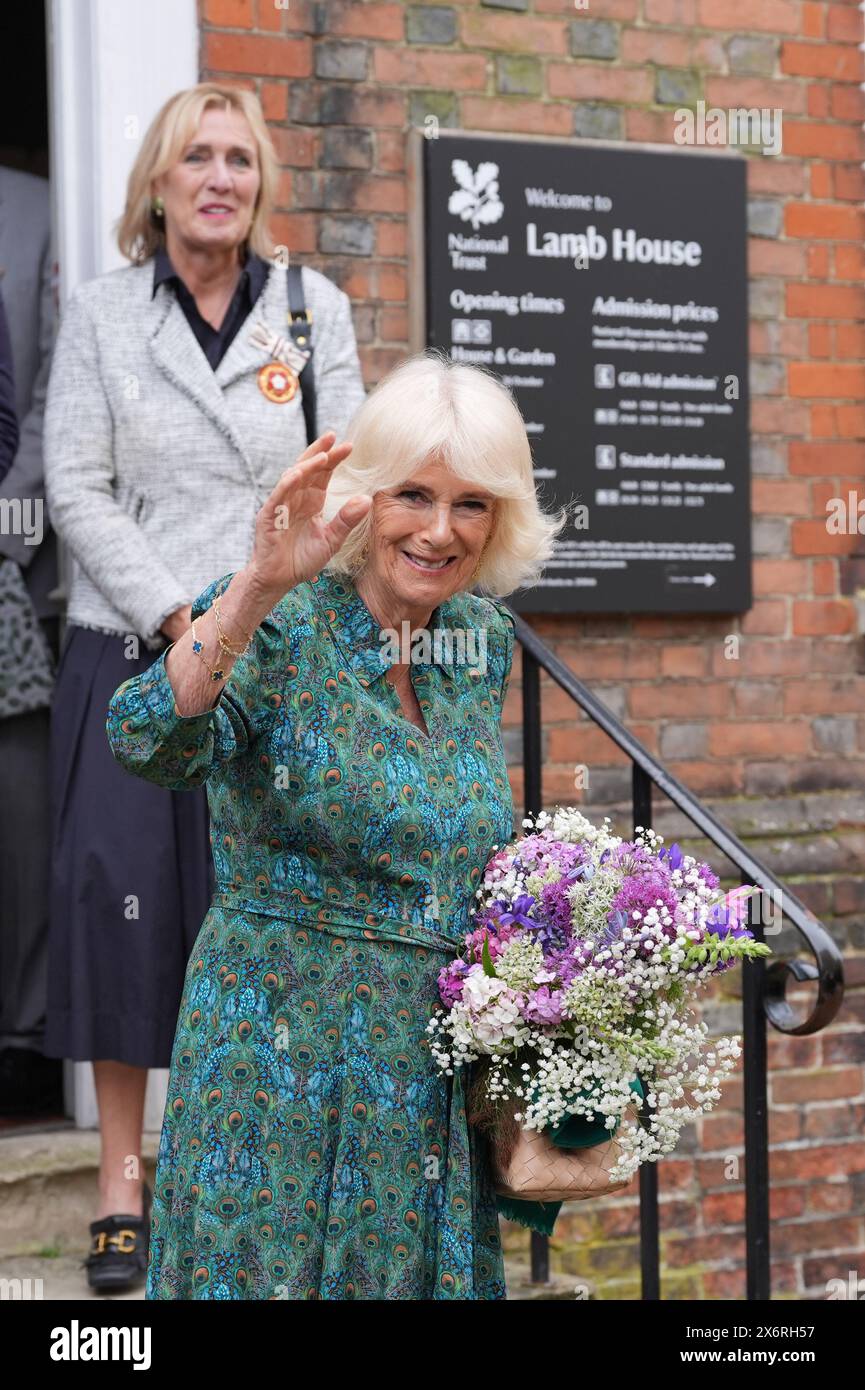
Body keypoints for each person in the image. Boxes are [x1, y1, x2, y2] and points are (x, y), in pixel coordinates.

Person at [106, 351, 567, 1299]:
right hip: (272, 1058)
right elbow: (148, 739)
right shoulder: (281, 619)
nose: (440, 530)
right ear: (363, 496)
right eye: (413, 495)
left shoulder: (476, 645)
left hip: (420, 1080)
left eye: (472, 503)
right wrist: (253, 586)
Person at [42, 82, 365, 1293]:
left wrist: (259, 616)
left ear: (259, 182)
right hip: (137, 646)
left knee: (260, 912)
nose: (218, 177)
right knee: (126, 912)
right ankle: (123, 1180)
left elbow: (355, 476)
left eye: (239, 158)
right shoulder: (106, 315)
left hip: (276, 658)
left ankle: (240, 1162)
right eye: (197, 158)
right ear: (160, 182)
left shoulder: (309, 310)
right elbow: (72, 487)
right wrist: (186, 617)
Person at [0, 164, 62, 1120]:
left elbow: (50, 388)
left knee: (19, 825)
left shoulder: (34, 208)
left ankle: (18, 1046)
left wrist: (8, 525)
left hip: (6, 578)